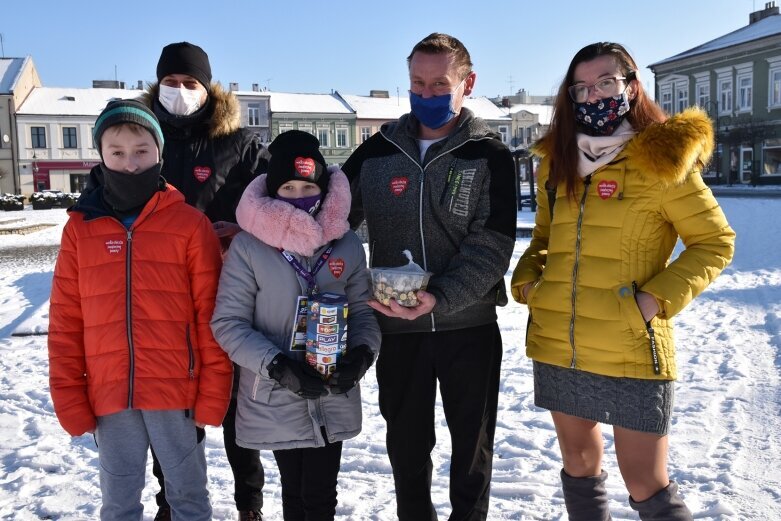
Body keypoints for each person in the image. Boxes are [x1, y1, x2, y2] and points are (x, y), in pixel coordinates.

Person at [510, 42, 736, 521]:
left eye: (606, 83)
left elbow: (715, 242)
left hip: (632, 345)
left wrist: (652, 302)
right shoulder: (557, 160)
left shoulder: (664, 159)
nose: (594, 95)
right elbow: (545, 238)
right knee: (578, 466)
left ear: (631, 85)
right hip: (560, 341)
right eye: (582, 88)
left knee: (645, 483)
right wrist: (530, 280)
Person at [341, 33, 517, 520]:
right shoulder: (377, 152)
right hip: (398, 329)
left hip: (470, 327)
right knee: (407, 450)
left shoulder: (489, 155)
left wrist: (441, 296)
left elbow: (494, 243)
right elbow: (330, 214)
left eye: (440, 83)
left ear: (468, 83)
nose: (426, 94)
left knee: (472, 452)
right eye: (417, 83)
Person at [47, 99, 233, 520]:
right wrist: (68, 394)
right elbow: (64, 322)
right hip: (110, 394)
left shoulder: (189, 224)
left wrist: (212, 392)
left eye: (141, 151)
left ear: (159, 153)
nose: (130, 163)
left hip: (176, 394)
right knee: (118, 502)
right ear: (100, 156)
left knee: (188, 499)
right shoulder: (81, 228)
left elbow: (212, 317)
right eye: (117, 152)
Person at [211, 130, 381, 521]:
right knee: (296, 494)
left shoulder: (347, 245)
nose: (299, 195)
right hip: (277, 391)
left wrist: (362, 354)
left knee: (322, 497)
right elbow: (229, 323)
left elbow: (363, 311)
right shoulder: (249, 247)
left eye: (308, 185)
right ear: (272, 192)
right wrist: (276, 365)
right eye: (288, 186)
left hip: (332, 389)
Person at [145, 41, 267, 521]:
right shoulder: (142, 139)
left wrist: (243, 227)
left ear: (207, 88)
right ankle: (173, 503)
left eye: (189, 83)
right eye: (171, 82)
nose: (180, 91)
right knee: (171, 411)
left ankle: (249, 506)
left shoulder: (238, 144)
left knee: (239, 411)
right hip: (161, 299)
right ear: (158, 86)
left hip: (229, 295)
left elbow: (272, 201)